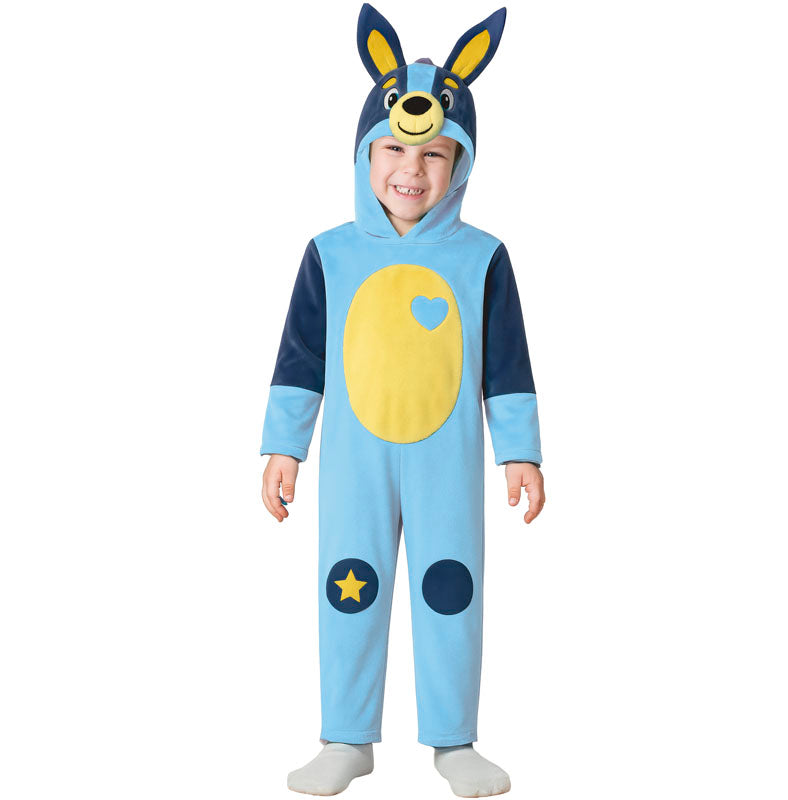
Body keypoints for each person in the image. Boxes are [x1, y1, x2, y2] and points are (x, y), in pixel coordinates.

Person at [260, 5, 545, 796]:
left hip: (446, 459)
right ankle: (346, 736)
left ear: (462, 162)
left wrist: (520, 454)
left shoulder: (483, 258)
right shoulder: (330, 253)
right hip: (355, 460)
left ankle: (453, 739)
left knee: (451, 588)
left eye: (434, 153)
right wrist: (284, 447)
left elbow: (508, 365)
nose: (410, 170)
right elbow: (300, 358)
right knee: (348, 586)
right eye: (392, 147)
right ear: (363, 152)